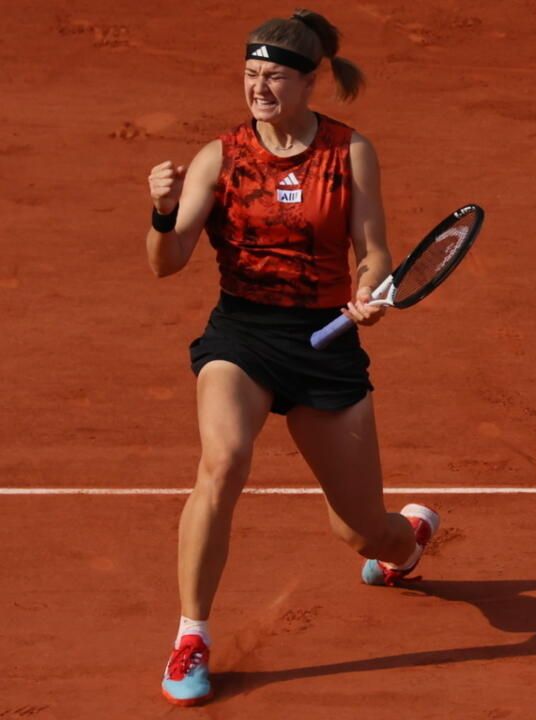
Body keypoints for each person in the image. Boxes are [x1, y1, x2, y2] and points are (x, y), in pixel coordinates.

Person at [145, 10, 439, 707]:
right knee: (222, 463)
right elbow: (168, 261)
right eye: (250, 76)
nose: (260, 88)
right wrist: (160, 213)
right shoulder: (222, 157)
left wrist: (368, 293)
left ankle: (406, 543)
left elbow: (373, 251)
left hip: (324, 344)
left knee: (362, 528)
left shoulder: (349, 152)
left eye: (274, 76)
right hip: (240, 338)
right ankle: (191, 634)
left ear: (311, 81)